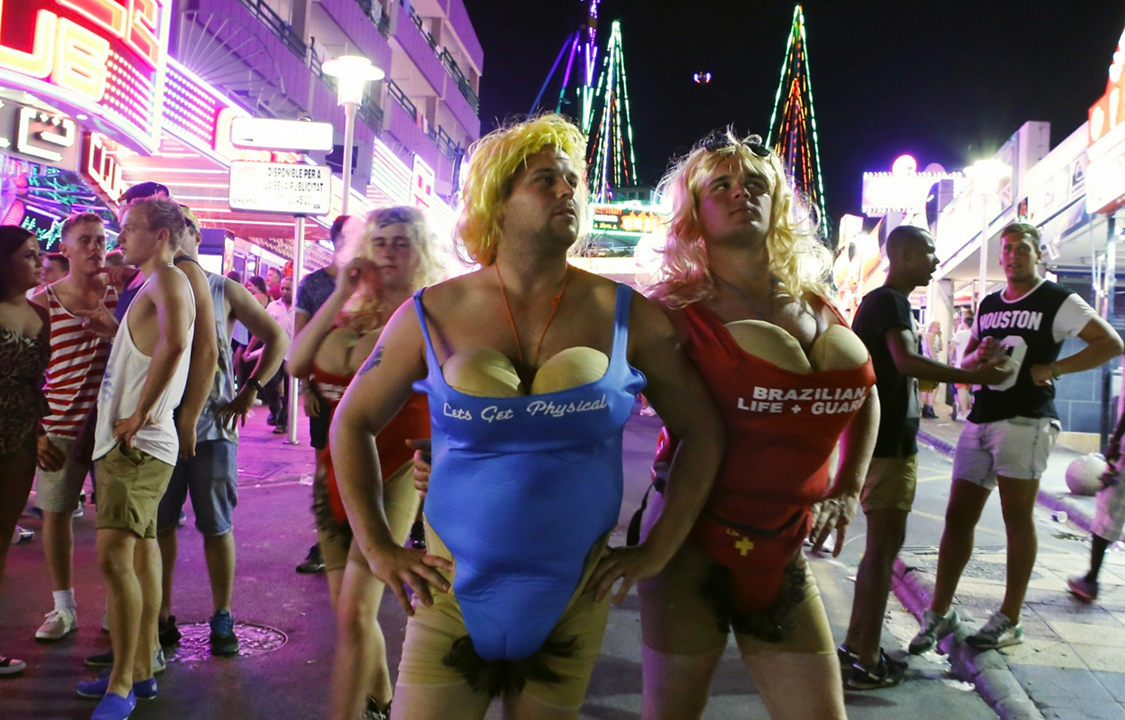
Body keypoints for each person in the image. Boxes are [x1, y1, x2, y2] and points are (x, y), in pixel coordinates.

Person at [331, 114, 724, 720]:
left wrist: (656, 548)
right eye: (546, 179)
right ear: (498, 201)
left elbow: (702, 430)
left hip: (572, 599)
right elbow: (349, 423)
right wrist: (379, 547)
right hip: (450, 597)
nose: (569, 191)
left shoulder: (628, 315)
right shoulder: (432, 312)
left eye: (574, 181)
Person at [635, 131, 877, 720]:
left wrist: (849, 486)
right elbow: (591, 398)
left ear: (778, 206)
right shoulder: (669, 312)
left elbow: (864, 394)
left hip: (783, 543)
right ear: (695, 212)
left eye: (756, 184)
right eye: (721, 185)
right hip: (686, 540)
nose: (742, 192)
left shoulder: (818, 303)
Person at [911, 222, 1122, 653]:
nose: (1011, 256)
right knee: (957, 517)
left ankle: (1010, 617)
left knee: (1016, 519)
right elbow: (968, 363)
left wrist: (1054, 369)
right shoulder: (988, 303)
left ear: (1038, 254)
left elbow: (1110, 343)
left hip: (1026, 421)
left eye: (1021, 248)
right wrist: (979, 357)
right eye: (1006, 248)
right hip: (983, 420)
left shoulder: (1056, 299)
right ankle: (940, 610)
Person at [843, 224, 1014, 688]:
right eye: (929, 252)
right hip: (889, 445)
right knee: (882, 552)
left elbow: (909, 372)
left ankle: (858, 644)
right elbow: (904, 362)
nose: (936, 261)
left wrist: (968, 368)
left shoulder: (885, 303)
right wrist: (972, 375)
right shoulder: (891, 301)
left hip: (880, 441)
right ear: (901, 254)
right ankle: (866, 662)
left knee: (878, 553)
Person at [288, 206, 441, 720]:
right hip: (332, 473)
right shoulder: (351, 311)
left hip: (393, 472)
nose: (391, 252)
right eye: (381, 242)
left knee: (356, 614)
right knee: (347, 613)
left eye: (402, 242)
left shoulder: (432, 315)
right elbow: (295, 363)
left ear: (421, 251)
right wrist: (338, 293)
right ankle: (384, 705)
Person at [75, 199, 195, 720]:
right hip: (128, 442)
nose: (120, 236)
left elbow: (177, 343)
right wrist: (112, 333)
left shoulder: (168, 278)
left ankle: (122, 683)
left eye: (130, 228)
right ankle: (139, 669)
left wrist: (142, 413)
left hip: (137, 445)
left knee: (114, 559)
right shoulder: (150, 284)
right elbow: (155, 347)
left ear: (162, 234)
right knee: (140, 557)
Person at [154, 210, 287, 655]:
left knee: (216, 525)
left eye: (185, 226)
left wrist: (252, 389)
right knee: (160, 525)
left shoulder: (221, 288)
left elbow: (275, 337)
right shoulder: (153, 286)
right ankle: (161, 614)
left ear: (195, 235)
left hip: (214, 426)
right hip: (159, 427)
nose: (178, 235)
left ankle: (223, 614)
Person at [28, 213, 116, 642]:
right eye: (85, 240)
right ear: (64, 249)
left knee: (115, 521)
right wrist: (36, 431)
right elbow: (26, 371)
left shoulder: (122, 294)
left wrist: (114, 330)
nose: (95, 247)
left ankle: (117, 607)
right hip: (59, 424)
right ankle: (63, 608)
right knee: (56, 515)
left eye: (100, 240)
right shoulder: (42, 302)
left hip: (112, 429)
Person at [293, 214, 363, 574]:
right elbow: (299, 342)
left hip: (364, 392)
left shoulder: (373, 282)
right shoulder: (314, 285)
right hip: (325, 389)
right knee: (326, 464)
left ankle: (362, 539)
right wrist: (306, 388)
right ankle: (326, 542)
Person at [0, 226, 51, 675]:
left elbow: (40, 383)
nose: (38, 262)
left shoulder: (40, 314)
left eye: (39, 254)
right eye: (28, 255)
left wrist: (41, 432)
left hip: (19, 435)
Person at [260, 276, 294, 434]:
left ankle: (283, 422)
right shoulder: (273, 306)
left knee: (290, 390)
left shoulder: (301, 308)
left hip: (293, 354)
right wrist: (250, 348)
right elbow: (264, 326)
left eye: (288, 288)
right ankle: (275, 411)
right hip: (276, 352)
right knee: (270, 383)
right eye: (282, 288)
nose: (284, 291)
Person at [948, 313, 974, 421]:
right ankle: (969, 411)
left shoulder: (960, 333)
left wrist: (951, 359)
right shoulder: (975, 334)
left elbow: (951, 346)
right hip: (973, 367)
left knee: (961, 390)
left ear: (965, 324)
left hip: (961, 366)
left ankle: (963, 414)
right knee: (968, 391)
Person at [919, 320, 943, 418]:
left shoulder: (930, 336)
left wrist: (940, 337)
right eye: (937, 325)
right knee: (934, 386)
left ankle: (926, 409)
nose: (939, 327)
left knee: (927, 387)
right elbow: (930, 349)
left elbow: (940, 348)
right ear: (932, 326)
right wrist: (935, 361)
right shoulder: (931, 335)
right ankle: (929, 407)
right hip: (930, 362)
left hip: (926, 363)